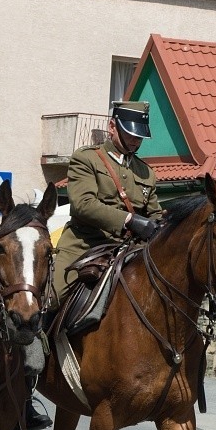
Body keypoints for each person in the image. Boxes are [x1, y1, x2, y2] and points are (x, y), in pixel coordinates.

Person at [53, 100, 163, 301]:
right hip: (85, 244)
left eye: (140, 135)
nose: (136, 140)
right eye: (131, 133)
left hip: (130, 249)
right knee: (54, 296)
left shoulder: (147, 172)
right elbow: (83, 204)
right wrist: (129, 219)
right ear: (112, 126)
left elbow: (154, 213)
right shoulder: (86, 159)